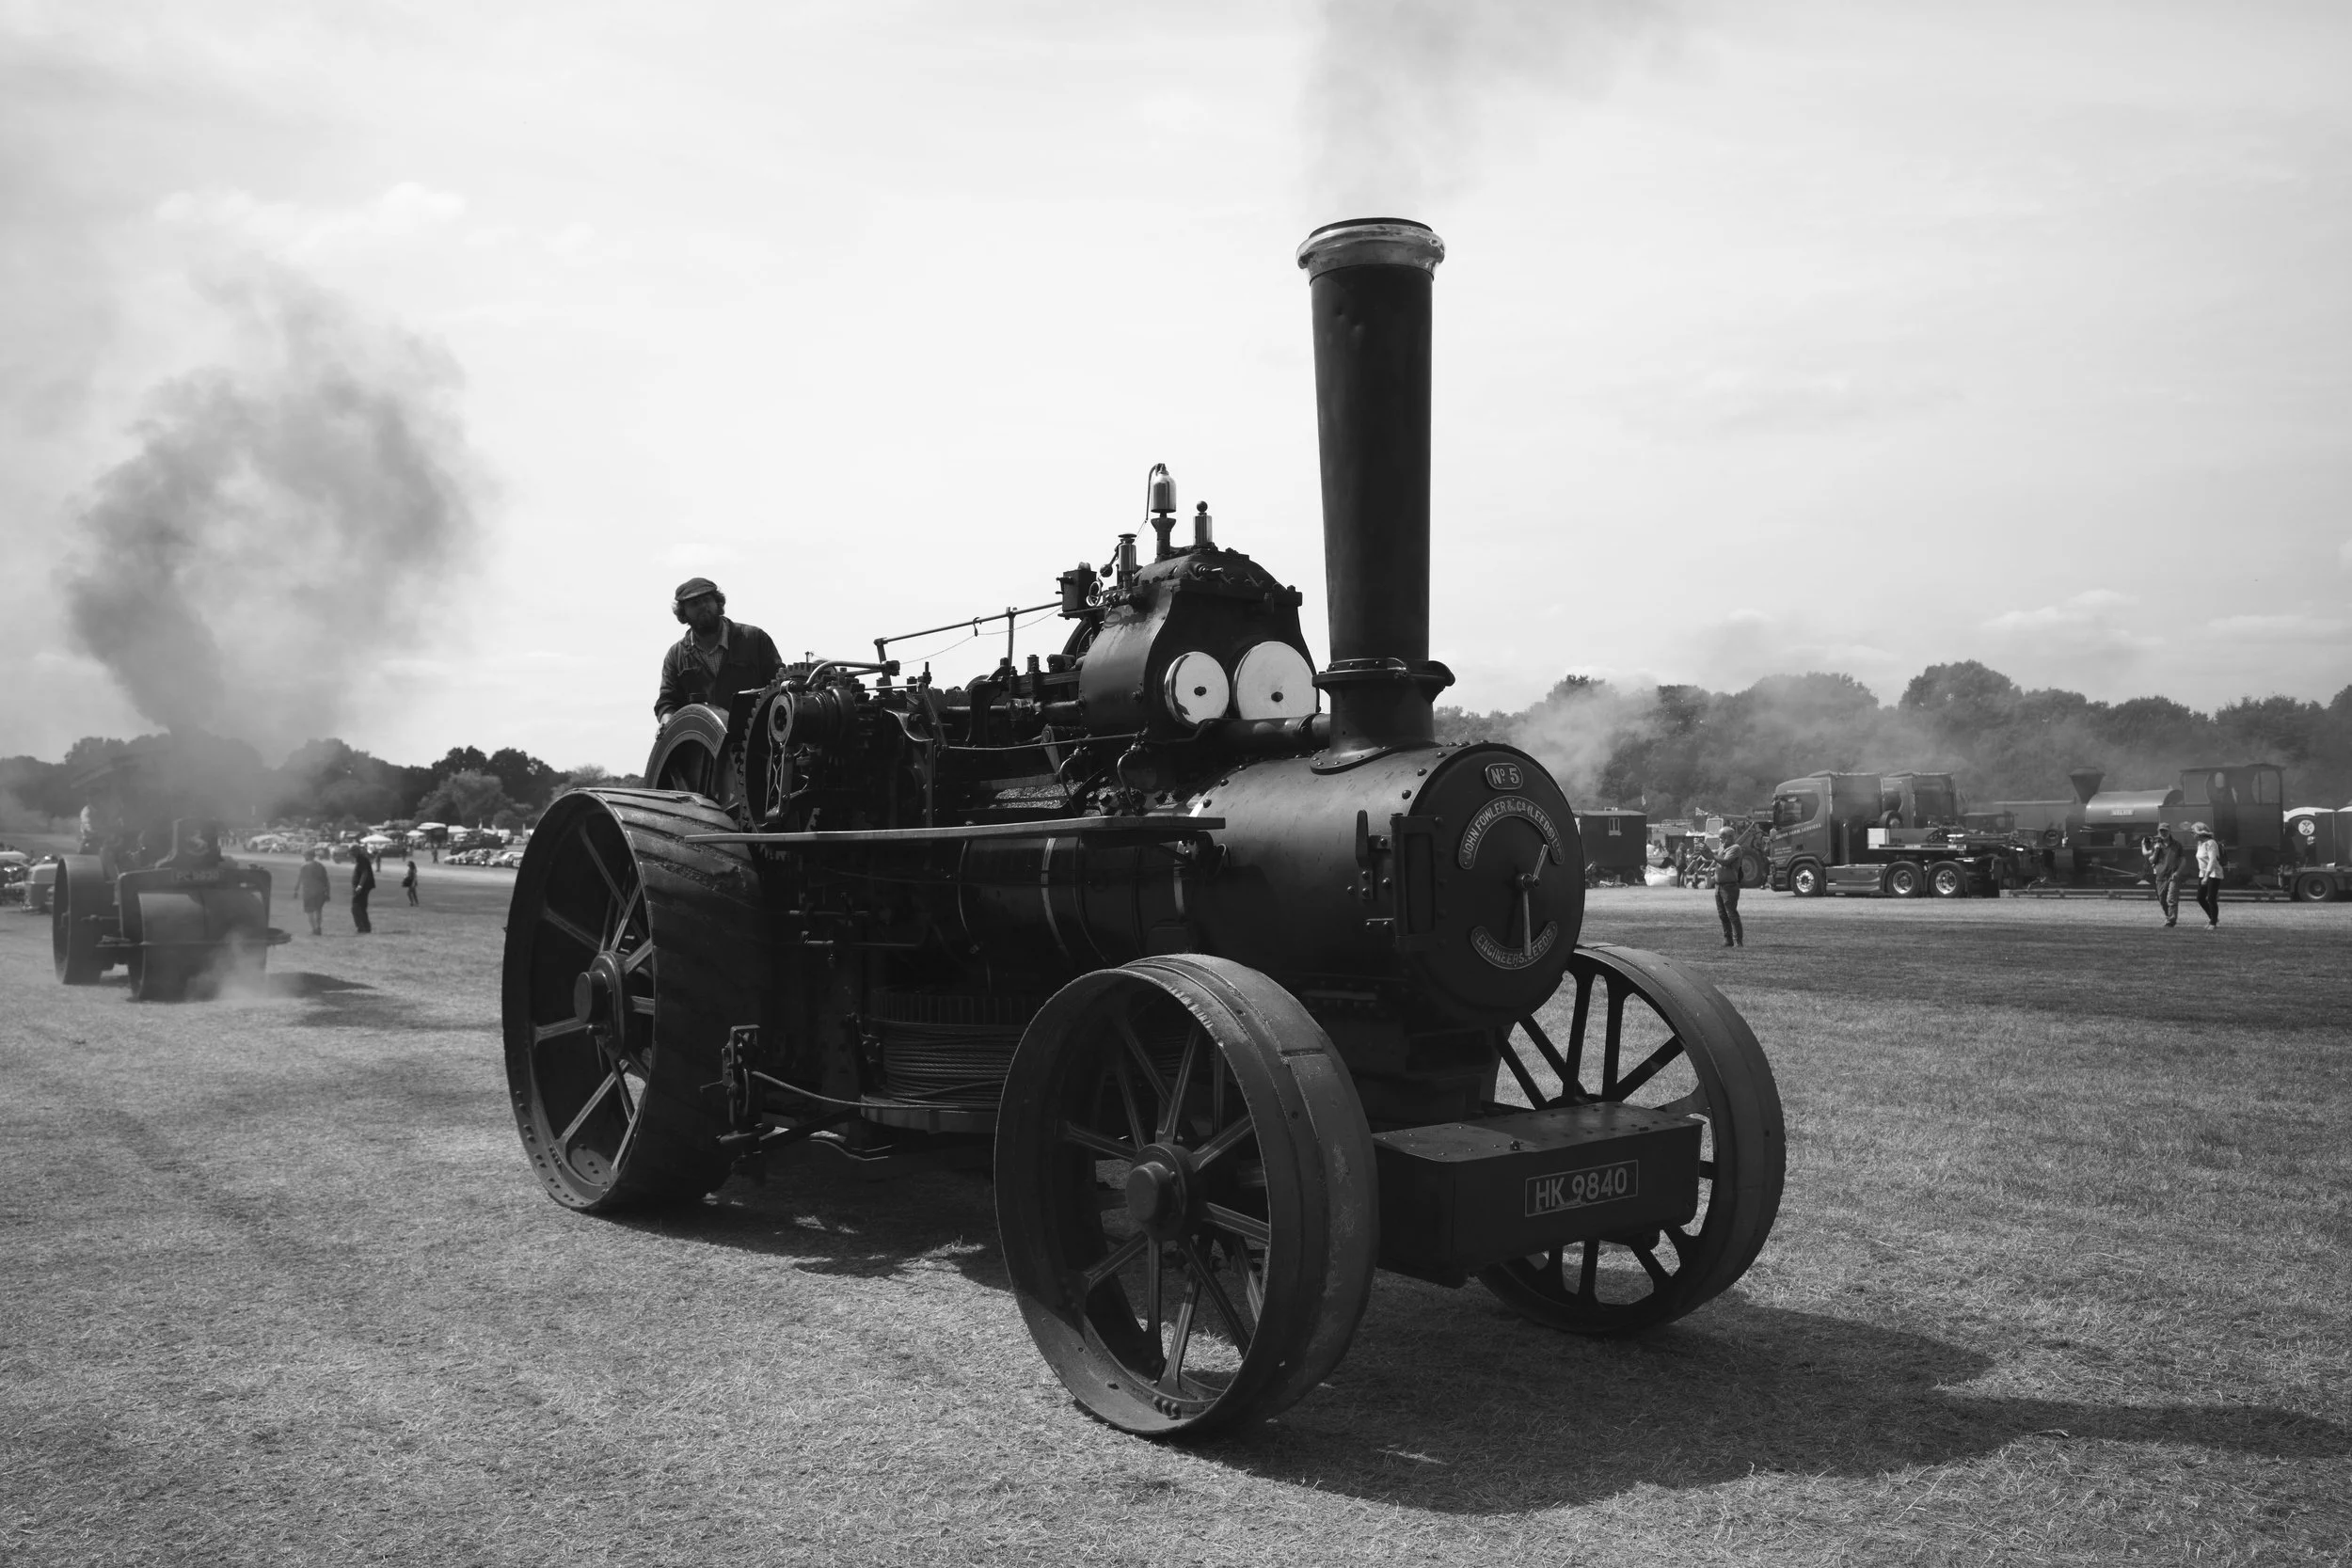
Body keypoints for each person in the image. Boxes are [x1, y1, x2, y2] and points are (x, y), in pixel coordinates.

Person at [656, 577, 783, 724]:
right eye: (695, 603)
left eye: (707, 600)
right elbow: (667, 702)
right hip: (703, 742)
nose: (703, 606)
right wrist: (666, 723)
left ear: (718, 603)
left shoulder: (754, 640)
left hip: (754, 738)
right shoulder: (676, 656)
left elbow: (779, 684)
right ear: (683, 613)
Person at [1714, 824, 1755, 948]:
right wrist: (1702, 853)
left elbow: (1725, 862)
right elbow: (1714, 858)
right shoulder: (1722, 848)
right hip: (1719, 886)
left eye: (1722, 837)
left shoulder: (1735, 848)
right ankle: (1728, 940)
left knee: (1731, 914)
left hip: (1729, 887)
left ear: (1730, 837)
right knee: (1722, 915)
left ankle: (1738, 941)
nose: (1720, 840)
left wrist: (1711, 856)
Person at [2145, 828, 2190, 928]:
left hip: (2173, 875)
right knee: (2162, 899)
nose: (2163, 833)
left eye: (2165, 831)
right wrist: (2156, 849)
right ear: (2159, 833)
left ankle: (2171, 921)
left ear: (2169, 832)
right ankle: (2168, 916)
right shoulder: (2156, 845)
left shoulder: (2177, 845)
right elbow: (2151, 860)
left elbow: (2183, 860)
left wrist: (2178, 872)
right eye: (2161, 831)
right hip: (2160, 876)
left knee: (2171, 898)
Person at [2192, 822, 2224, 929]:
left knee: (2211, 898)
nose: (2193, 835)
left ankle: (2213, 923)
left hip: (2214, 874)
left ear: (2200, 833)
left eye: (2194, 832)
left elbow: (2212, 860)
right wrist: (2203, 875)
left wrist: (2206, 876)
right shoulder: (2200, 844)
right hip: (2203, 873)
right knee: (2200, 898)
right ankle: (2213, 917)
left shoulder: (2211, 843)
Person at [295, 848, 331, 936]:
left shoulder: (304, 866)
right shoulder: (320, 866)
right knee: (318, 911)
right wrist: (328, 893)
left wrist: (296, 890)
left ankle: (314, 928)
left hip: (308, 891)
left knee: (309, 911)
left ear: (308, 856)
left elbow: (300, 879)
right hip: (320, 891)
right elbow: (326, 881)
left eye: (305, 855)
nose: (304, 857)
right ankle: (318, 927)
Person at [351, 844, 376, 934]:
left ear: (357, 851)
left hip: (362, 888)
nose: (351, 854)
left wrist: (359, 886)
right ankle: (366, 927)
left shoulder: (361, 859)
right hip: (364, 887)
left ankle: (362, 927)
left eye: (352, 852)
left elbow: (364, 873)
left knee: (356, 907)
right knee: (361, 907)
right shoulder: (361, 859)